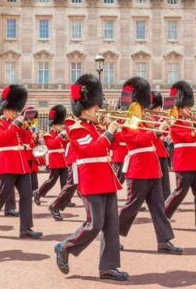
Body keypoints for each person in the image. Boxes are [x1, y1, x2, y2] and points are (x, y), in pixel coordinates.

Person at [54, 73, 128, 281]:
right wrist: (108, 133)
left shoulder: (97, 127)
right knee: (94, 224)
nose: (99, 109)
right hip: (91, 180)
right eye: (96, 107)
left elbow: (115, 145)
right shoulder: (75, 128)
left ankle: (108, 267)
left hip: (106, 178)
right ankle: (65, 247)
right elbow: (92, 150)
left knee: (111, 225)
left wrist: (116, 129)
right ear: (85, 108)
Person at [116, 77, 183, 255]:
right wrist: (156, 130)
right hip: (139, 169)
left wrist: (164, 125)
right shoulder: (129, 121)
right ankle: (112, 236)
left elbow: (153, 137)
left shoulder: (143, 120)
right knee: (131, 207)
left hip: (152, 168)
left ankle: (164, 241)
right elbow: (136, 139)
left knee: (158, 208)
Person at [0, 84, 42, 239]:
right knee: (1, 195)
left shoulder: (18, 124)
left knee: (26, 196)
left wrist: (26, 128)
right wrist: (16, 124)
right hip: (7, 164)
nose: (15, 113)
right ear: (5, 110)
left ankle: (26, 228)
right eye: (13, 110)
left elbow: (27, 141)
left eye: (16, 110)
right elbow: (3, 139)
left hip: (22, 165)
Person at [163, 80, 196, 232]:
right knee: (180, 192)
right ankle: (163, 215)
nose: (189, 110)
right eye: (187, 107)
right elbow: (188, 137)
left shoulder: (187, 121)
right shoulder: (174, 122)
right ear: (179, 108)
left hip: (194, 161)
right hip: (183, 160)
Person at [34, 105, 69, 206]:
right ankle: (38, 192)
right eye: (58, 125)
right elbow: (52, 145)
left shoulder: (60, 134)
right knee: (52, 180)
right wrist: (60, 136)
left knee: (65, 181)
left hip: (63, 160)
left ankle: (65, 200)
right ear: (53, 125)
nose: (60, 126)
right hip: (55, 160)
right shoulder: (48, 135)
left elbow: (65, 144)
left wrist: (67, 138)